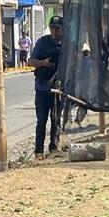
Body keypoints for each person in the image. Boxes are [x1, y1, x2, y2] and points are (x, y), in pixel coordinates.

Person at [27, 16, 64, 158]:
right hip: (43, 87)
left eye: (58, 28)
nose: (55, 31)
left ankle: (54, 147)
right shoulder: (42, 42)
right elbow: (31, 61)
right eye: (52, 28)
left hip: (60, 88)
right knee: (42, 120)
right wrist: (43, 63)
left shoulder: (67, 44)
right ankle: (39, 150)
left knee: (56, 119)